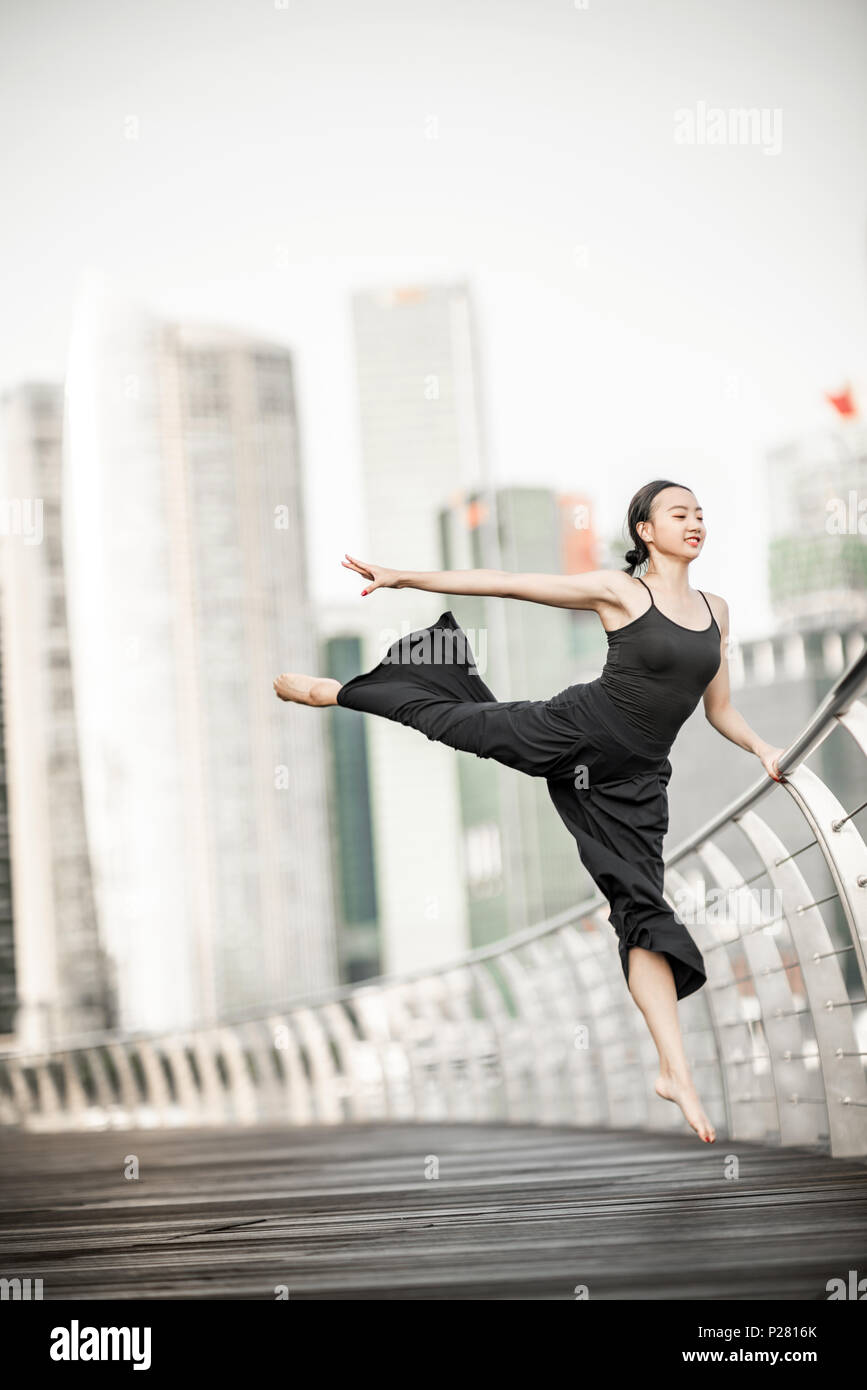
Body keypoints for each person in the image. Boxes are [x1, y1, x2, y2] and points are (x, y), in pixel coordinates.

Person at [273, 480, 786, 1143]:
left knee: (642, 909)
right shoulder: (620, 591)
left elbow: (719, 710)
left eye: (699, 514)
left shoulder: (717, 610)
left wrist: (762, 748)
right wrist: (402, 576)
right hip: (574, 731)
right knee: (465, 723)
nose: (693, 522)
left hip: (632, 780)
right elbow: (508, 582)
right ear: (644, 532)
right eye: (677, 514)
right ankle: (341, 692)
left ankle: (674, 1072)